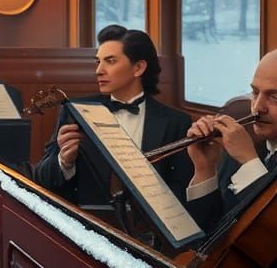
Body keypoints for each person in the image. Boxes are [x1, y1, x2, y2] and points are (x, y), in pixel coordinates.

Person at [33, 25, 194, 213]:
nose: (99, 71)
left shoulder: (176, 122)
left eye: (110, 61)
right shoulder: (75, 111)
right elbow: (41, 179)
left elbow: (181, 194)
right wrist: (64, 161)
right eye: (98, 62)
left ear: (138, 67)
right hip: (86, 225)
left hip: (148, 233)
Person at [184, 49, 277, 268]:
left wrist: (249, 162)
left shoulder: (245, 152)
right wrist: (205, 169)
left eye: (274, 97)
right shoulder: (245, 148)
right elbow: (209, 230)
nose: (257, 107)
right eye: (255, 92)